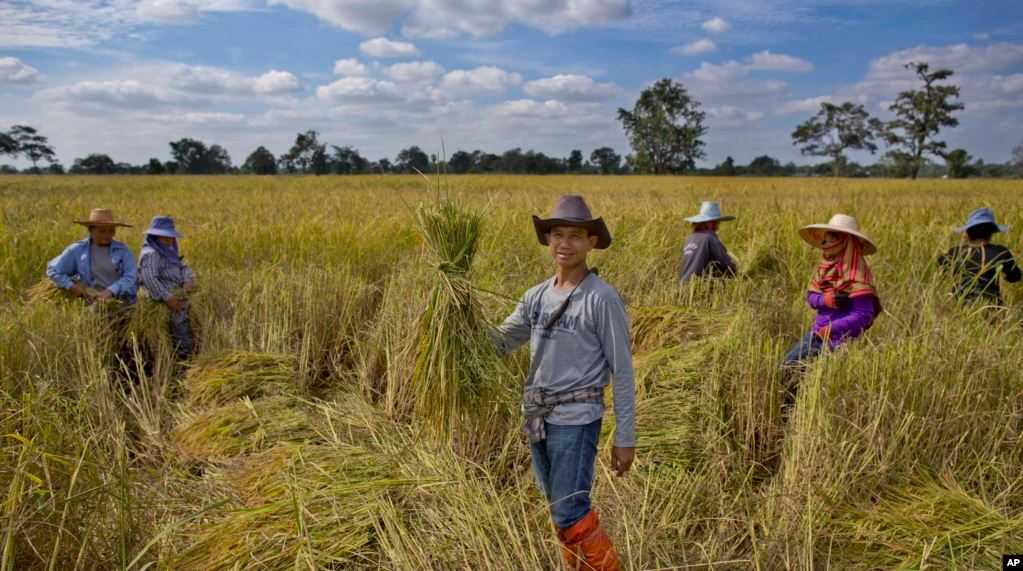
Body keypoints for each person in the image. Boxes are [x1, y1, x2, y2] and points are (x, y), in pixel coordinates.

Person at [492, 195, 635, 571]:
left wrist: (625, 436)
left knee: (570, 507)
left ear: (591, 242)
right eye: (557, 234)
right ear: (548, 240)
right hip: (536, 415)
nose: (565, 244)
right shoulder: (535, 296)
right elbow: (503, 340)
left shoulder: (601, 299)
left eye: (575, 235)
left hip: (576, 416)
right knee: (557, 507)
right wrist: (455, 322)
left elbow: (622, 369)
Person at [782, 214, 882, 380]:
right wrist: (824, 300)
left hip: (839, 341)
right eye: (825, 239)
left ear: (845, 241)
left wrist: (830, 330)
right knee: (787, 367)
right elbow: (811, 297)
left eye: (831, 238)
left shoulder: (857, 274)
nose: (824, 243)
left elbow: (863, 315)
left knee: (797, 370)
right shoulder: (824, 268)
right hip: (816, 333)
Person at [47, 208, 137, 304]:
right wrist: (71, 286)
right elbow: (54, 270)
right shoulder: (77, 250)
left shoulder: (123, 251)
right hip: (91, 302)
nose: (107, 235)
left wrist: (110, 291)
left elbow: (131, 276)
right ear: (90, 230)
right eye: (102, 231)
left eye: (111, 231)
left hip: (121, 301)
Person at [138, 216, 197, 359]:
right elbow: (149, 278)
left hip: (177, 294)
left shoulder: (169, 251)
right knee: (179, 321)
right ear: (154, 236)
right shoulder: (151, 254)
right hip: (161, 299)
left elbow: (182, 266)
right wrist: (168, 298)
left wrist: (188, 280)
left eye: (170, 237)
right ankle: (184, 356)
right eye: (164, 237)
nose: (168, 240)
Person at [938, 207, 1021, 304]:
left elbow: (940, 269)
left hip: (959, 305)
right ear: (991, 233)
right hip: (992, 306)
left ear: (968, 233)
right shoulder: (1000, 252)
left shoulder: (955, 252)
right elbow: (1015, 277)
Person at [678, 201, 737, 282]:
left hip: (682, 286)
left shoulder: (690, 238)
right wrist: (738, 272)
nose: (718, 226)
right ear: (710, 223)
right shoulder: (710, 238)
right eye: (717, 222)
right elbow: (726, 265)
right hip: (698, 286)